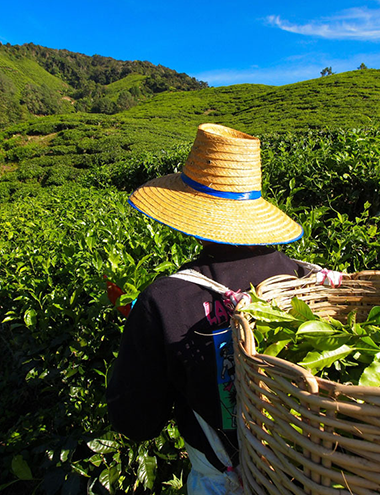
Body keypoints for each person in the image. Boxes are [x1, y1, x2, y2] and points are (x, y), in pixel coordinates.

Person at [106, 123, 310, 494]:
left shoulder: (165, 300)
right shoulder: (302, 278)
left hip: (222, 481)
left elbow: (137, 422)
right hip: (308, 471)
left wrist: (146, 330)